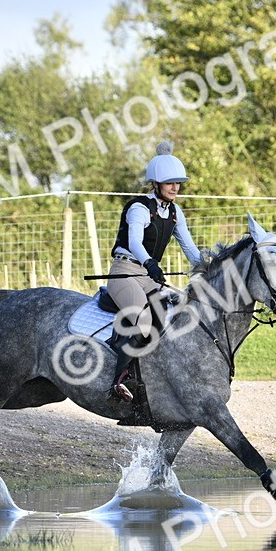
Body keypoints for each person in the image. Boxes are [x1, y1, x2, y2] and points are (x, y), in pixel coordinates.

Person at [106, 141, 202, 402]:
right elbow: (135, 242)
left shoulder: (174, 212)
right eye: (170, 182)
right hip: (124, 272)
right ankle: (119, 380)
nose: (175, 187)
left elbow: (189, 247)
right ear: (156, 184)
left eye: (178, 182)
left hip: (148, 276)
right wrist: (149, 262)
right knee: (143, 315)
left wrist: (206, 267)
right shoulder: (139, 208)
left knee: (172, 311)